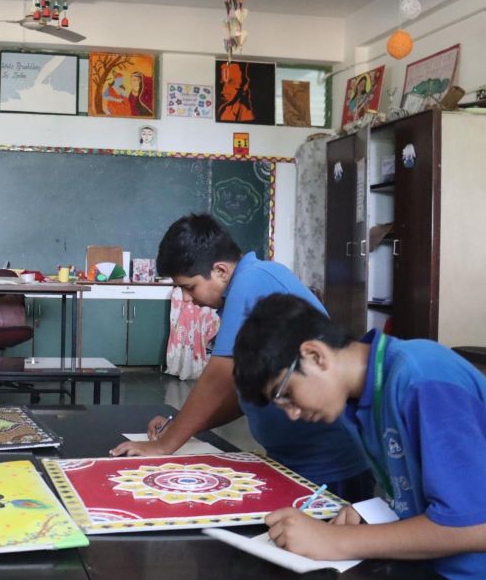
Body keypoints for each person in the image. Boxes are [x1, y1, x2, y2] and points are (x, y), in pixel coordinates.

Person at [231, 294, 486, 580]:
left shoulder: (424, 378)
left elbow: (478, 528)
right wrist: (378, 508)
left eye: (286, 394)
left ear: (315, 355)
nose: (292, 414)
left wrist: (333, 541)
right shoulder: (362, 399)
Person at [111, 213, 370, 501]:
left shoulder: (251, 281)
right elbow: (243, 397)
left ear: (221, 270)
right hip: (294, 462)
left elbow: (218, 379)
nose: (186, 299)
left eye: (189, 286)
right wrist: (179, 425)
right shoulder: (246, 287)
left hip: (328, 468)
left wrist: (165, 446)